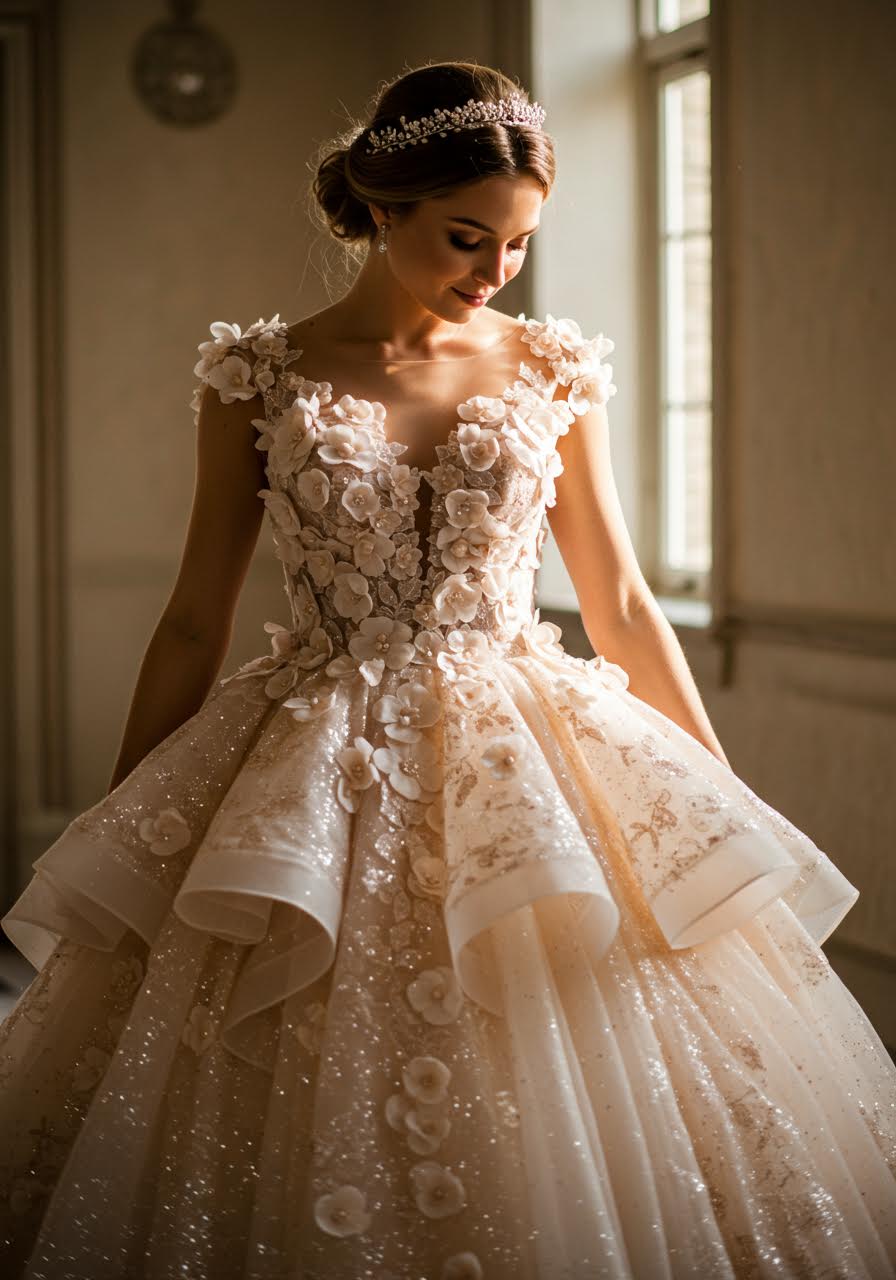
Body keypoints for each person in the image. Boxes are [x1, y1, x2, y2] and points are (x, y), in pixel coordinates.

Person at [0, 58, 894, 1280]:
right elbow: (193, 618)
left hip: (530, 746)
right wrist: (130, 813)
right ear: (382, 208)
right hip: (310, 752)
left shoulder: (550, 368)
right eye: (467, 237)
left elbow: (622, 601)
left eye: (517, 246)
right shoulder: (260, 374)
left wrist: (713, 794)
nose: (493, 273)